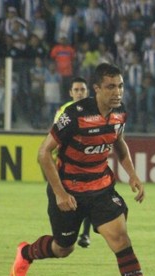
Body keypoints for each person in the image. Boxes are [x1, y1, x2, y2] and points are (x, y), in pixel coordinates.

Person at [10, 63, 155, 276]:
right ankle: (26, 253)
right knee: (63, 248)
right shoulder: (74, 115)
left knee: (121, 239)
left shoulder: (119, 114)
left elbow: (118, 142)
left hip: (100, 188)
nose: (117, 92)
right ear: (96, 89)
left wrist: (131, 174)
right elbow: (43, 154)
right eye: (110, 87)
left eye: (120, 86)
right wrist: (60, 193)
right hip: (69, 190)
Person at [53, 77, 91, 248]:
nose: (79, 93)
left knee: (91, 195)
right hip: (70, 162)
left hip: (90, 161)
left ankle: (86, 234)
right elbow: (55, 135)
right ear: (70, 93)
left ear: (87, 91)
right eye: (76, 90)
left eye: (82, 89)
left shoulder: (96, 108)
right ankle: (70, 233)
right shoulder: (64, 111)